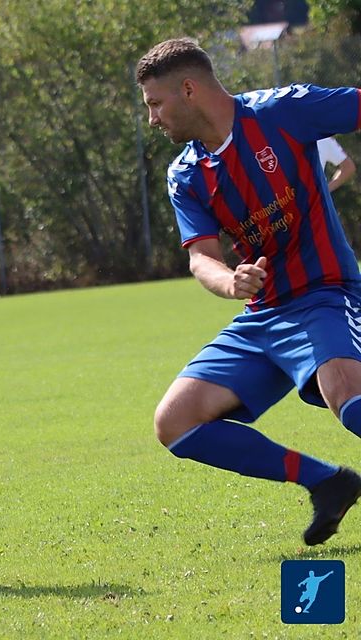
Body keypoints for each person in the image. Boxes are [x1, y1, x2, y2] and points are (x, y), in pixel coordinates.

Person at [137, 38, 361, 546]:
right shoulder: (187, 174)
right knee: (176, 422)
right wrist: (230, 281)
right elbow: (201, 258)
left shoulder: (285, 112)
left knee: (346, 395)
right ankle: (328, 482)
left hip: (325, 293)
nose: (152, 119)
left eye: (155, 104)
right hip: (263, 315)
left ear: (188, 90)